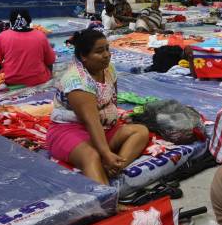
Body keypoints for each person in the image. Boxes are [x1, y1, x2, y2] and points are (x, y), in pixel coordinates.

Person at [47, 29, 149, 184]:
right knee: (91, 155)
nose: (107, 54)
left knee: (140, 131)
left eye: (107, 49)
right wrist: (105, 152)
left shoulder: (108, 69)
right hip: (69, 130)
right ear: (83, 56)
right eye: (99, 51)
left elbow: (112, 101)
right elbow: (91, 122)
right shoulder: (78, 82)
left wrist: (113, 124)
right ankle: (105, 202)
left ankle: (113, 167)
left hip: (102, 127)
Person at [0, 9, 55, 87]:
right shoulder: (40, 35)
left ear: (11, 22)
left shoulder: (3, 36)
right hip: (39, 79)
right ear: (29, 21)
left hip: (11, 80)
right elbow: (51, 60)